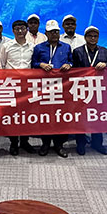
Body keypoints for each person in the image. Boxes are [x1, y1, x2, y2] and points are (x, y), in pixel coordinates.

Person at [31, 19, 73, 157]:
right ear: (46, 33)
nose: (54, 34)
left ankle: (59, 145)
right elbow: (33, 64)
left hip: (61, 87)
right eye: (51, 32)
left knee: (60, 116)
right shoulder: (39, 48)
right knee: (46, 116)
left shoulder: (66, 47)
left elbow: (71, 61)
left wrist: (69, 65)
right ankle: (45, 144)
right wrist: (41, 65)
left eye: (56, 32)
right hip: (44, 87)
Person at [0, 20, 37, 155]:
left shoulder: (32, 46)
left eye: (22, 28)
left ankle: (25, 142)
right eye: (17, 29)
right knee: (13, 116)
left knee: (26, 115)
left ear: (27, 30)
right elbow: (2, 65)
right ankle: (14, 143)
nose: (20, 31)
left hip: (27, 86)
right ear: (13, 31)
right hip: (11, 85)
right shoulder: (6, 46)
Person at [72, 26, 107, 155]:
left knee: (98, 117)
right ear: (85, 37)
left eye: (95, 36)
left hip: (99, 89)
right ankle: (80, 143)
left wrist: (106, 65)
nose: (93, 38)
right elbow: (74, 71)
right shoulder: (77, 51)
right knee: (81, 117)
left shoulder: (104, 51)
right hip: (82, 88)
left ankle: (97, 143)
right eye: (90, 36)